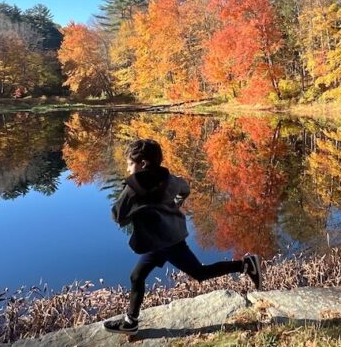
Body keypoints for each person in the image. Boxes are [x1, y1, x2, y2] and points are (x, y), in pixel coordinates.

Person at [103, 137, 262, 334]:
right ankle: (131, 322)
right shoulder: (169, 179)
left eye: (129, 164)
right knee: (137, 276)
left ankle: (245, 264)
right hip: (163, 238)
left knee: (199, 273)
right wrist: (174, 204)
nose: (128, 170)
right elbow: (184, 189)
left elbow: (118, 217)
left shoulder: (133, 189)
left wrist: (133, 206)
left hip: (167, 243)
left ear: (142, 164)